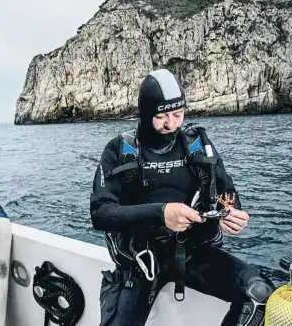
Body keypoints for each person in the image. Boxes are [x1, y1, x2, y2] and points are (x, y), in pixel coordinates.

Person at [90, 68, 275, 326]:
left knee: (261, 296)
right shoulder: (119, 150)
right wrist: (162, 213)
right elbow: (100, 213)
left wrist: (231, 213)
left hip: (194, 253)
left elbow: (227, 192)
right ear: (145, 114)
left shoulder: (197, 144)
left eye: (178, 114)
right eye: (161, 116)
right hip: (140, 261)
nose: (171, 124)